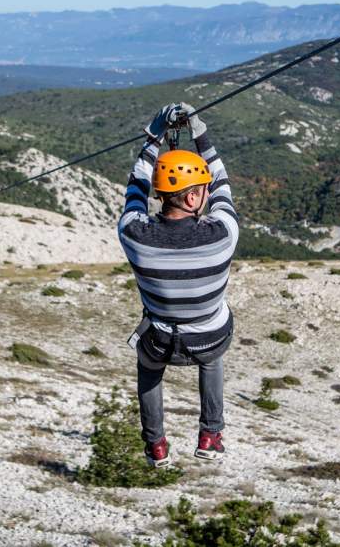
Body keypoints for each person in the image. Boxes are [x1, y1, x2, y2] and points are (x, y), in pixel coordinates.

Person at [117, 102, 238, 467]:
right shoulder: (223, 234)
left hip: (159, 340)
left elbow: (135, 189)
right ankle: (210, 434)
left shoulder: (133, 234)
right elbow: (223, 185)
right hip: (208, 340)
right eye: (200, 190)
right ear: (192, 197)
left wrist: (153, 138)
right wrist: (201, 135)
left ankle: (156, 445)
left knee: (148, 365)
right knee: (214, 348)